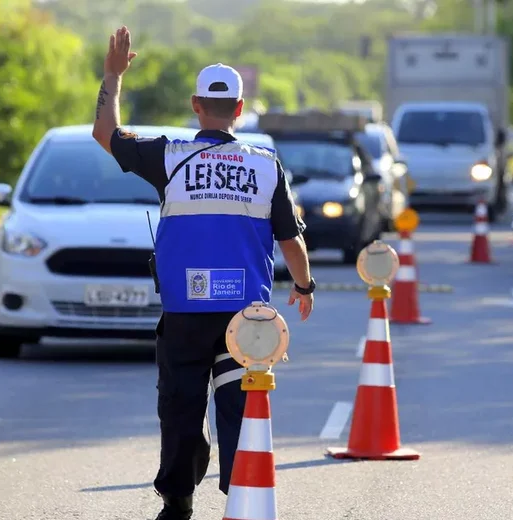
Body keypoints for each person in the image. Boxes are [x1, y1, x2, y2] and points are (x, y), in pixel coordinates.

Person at [91, 26, 316, 520]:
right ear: (239, 108)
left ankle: (177, 501)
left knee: (180, 406)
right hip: (246, 317)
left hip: (185, 312)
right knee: (240, 407)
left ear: (196, 105)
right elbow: (290, 241)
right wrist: (303, 285)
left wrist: (113, 75)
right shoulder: (264, 165)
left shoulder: (169, 156)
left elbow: (105, 133)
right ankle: (242, 497)